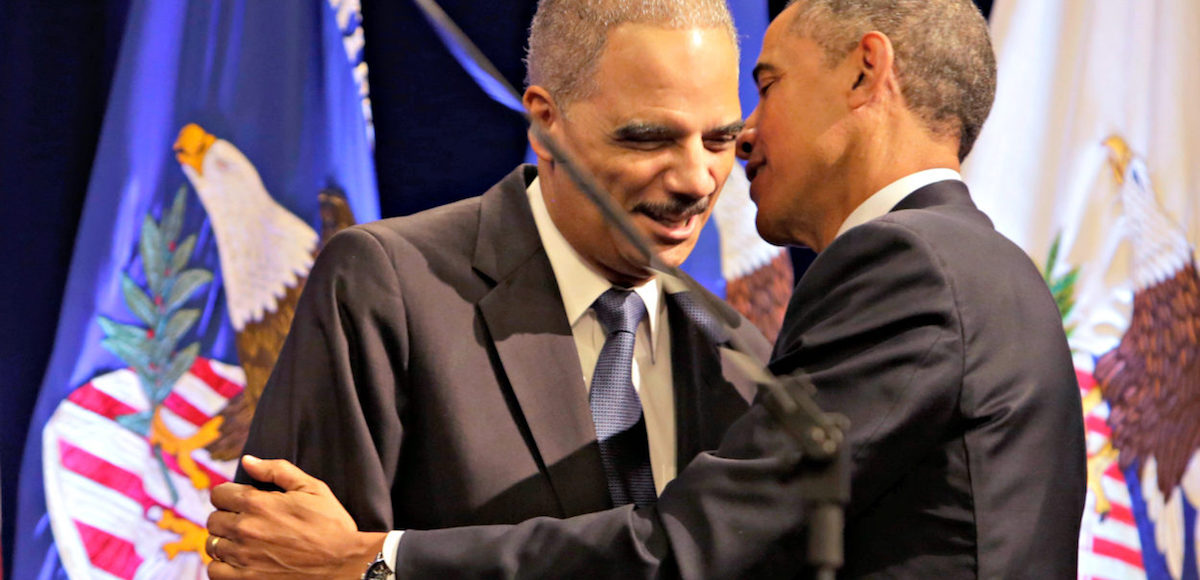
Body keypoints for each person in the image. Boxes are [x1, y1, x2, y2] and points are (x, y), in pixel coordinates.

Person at [208, 0, 1088, 578]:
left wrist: (379, 561)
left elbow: (691, 549)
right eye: (646, 137)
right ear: (544, 121)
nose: (703, 176)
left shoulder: (748, 357)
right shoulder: (390, 286)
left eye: (719, 134)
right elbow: (280, 558)